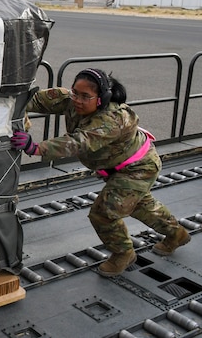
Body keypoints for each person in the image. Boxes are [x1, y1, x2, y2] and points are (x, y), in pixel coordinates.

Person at [11, 68, 191, 277]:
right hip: (116, 168)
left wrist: (36, 148)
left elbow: (80, 142)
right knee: (140, 204)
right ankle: (176, 234)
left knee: (104, 213)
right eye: (75, 93)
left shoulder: (111, 119)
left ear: (101, 98)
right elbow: (35, 100)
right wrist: (14, 105)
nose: (77, 100)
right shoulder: (72, 99)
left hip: (138, 168)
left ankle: (123, 254)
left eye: (85, 96)